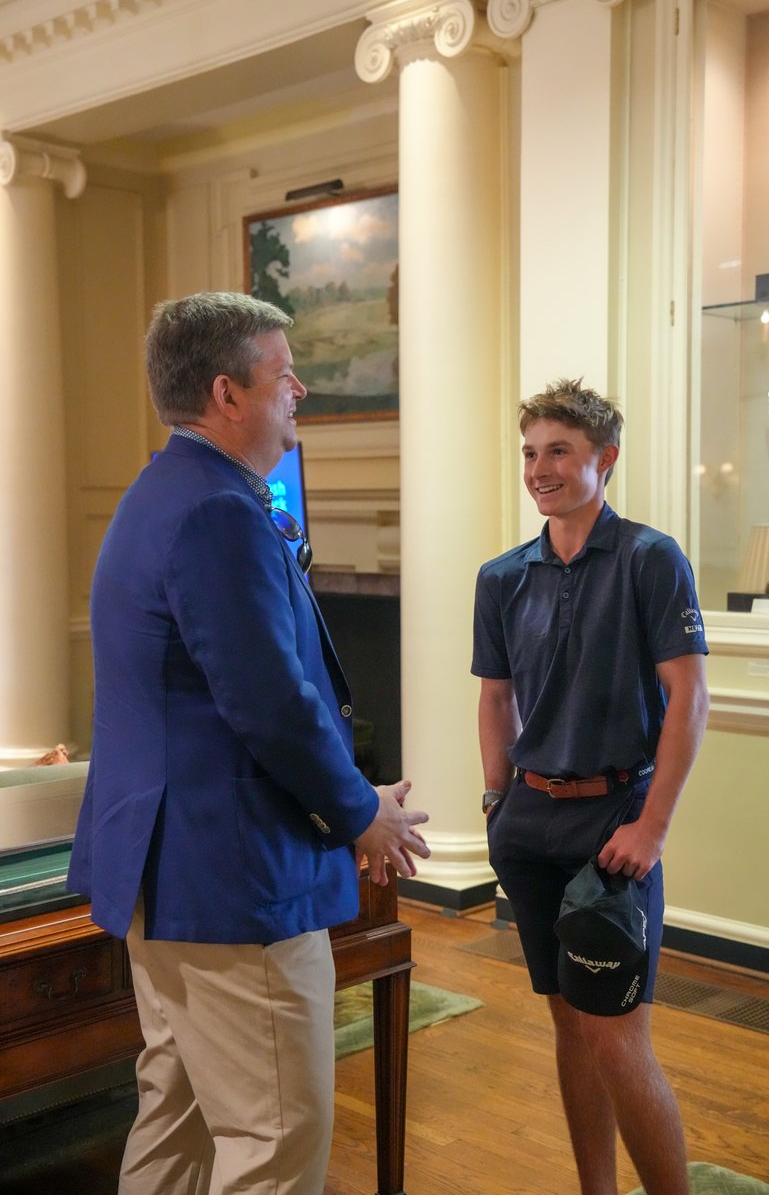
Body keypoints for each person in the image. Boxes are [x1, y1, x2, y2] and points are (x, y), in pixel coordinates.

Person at [67, 291, 430, 1195]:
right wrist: (359, 811)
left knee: (180, 1120)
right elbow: (268, 703)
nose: (300, 387)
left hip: (173, 874)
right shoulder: (219, 513)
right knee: (275, 1138)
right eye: (283, 372)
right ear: (228, 394)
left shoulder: (164, 493)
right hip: (232, 883)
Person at [471, 378, 709, 1195]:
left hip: (614, 827)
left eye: (559, 451)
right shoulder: (502, 578)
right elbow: (495, 697)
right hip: (528, 825)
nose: (540, 468)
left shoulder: (650, 559)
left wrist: (651, 828)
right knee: (570, 1026)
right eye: (531, 452)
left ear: (604, 459)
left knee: (616, 1038)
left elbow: (690, 697)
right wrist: (497, 800)